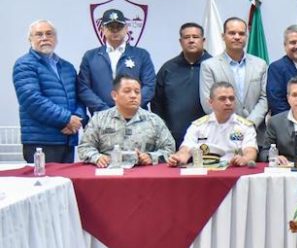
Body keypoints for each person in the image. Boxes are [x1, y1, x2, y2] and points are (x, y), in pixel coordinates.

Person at [12, 20, 86, 163]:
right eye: (39, 34)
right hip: (40, 142)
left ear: (56, 38)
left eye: (49, 34)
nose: (45, 38)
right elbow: (32, 100)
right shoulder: (24, 65)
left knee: (65, 184)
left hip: (67, 139)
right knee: (42, 184)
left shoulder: (67, 67)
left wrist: (78, 118)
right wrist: (67, 119)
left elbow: (79, 98)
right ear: (30, 39)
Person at [78, 75, 175, 167]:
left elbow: (170, 148)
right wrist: (97, 158)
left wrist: (151, 157)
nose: (133, 96)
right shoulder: (99, 119)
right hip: (109, 173)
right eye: (127, 91)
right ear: (114, 95)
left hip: (143, 175)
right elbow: (84, 147)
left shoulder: (154, 121)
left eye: (137, 92)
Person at [78, 9, 156, 115]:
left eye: (119, 27)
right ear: (102, 29)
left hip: (136, 117)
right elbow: (83, 88)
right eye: (110, 27)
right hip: (102, 118)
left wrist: (129, 107)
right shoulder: (90, 57)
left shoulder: (141, 55)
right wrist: (105, 110)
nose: (115, 30)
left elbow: (150, 85)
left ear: (126, 29)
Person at [199, 17, 269, 133]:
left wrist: (249, 124)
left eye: (241, 34)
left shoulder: (260, 64)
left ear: (246, 37)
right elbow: (208, 102)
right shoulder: (209, 66)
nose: (237, 37)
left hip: (256, 133)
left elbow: (265, 98)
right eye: (232, 33)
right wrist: (232, 125)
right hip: (223, 133)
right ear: (223, 36)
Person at [166, 82, 257, 167]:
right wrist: (178, 158)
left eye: (231, 98)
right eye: (222, 99)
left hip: (233, 170)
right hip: (205, 172)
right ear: (210, 102)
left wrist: (244, 159)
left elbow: (250, 151)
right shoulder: (198, 126)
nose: (228, 103)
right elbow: (186, 149)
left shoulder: (245, 126)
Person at [151, 22, 212, 148]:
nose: (191, 40)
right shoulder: (168, 69)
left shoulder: (214, 66)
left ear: (203, 40)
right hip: (173, 139)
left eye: (195, 37)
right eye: (186, 37)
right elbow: (156, 103)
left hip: (209, 138)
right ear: (180, 41)